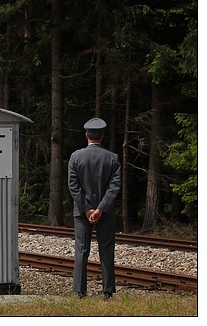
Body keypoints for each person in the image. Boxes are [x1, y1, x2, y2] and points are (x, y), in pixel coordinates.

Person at [67, 117, 121, 299]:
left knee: (81, 249)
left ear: (86, 135)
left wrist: (86, 209)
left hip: (82, 212)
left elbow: (73, 185)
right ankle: (108, 291)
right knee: (106, 249)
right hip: (105, 212)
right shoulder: (112, 158)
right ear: (102, 136)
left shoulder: (76, 157)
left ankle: (80, 291)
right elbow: (114, 186)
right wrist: (100, 209)